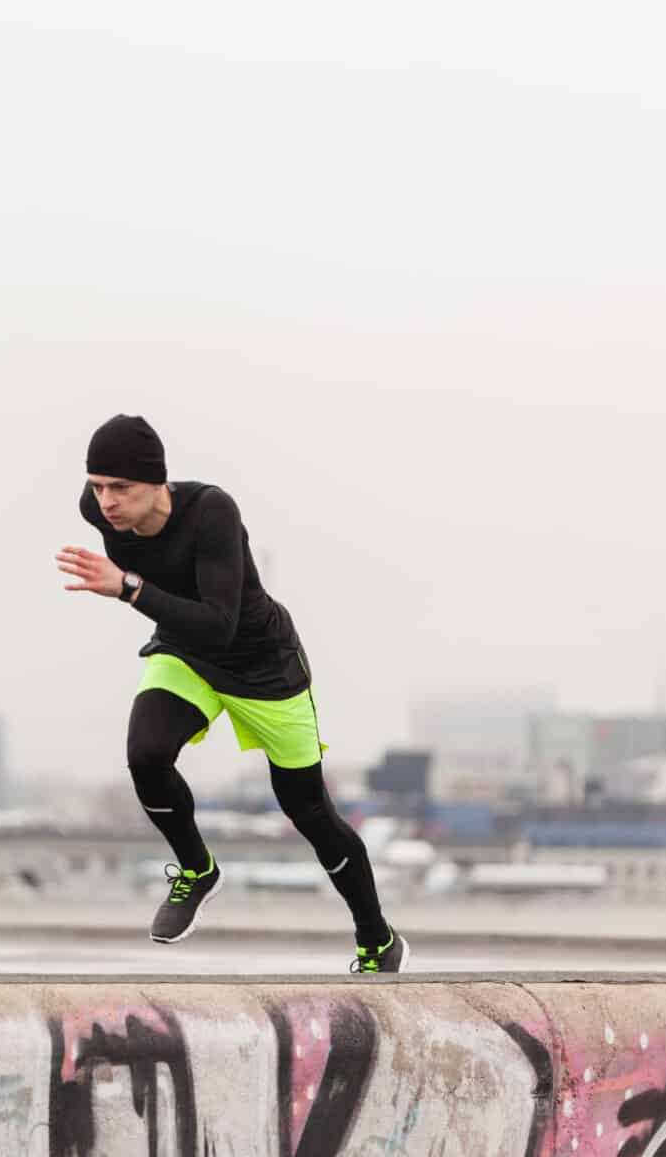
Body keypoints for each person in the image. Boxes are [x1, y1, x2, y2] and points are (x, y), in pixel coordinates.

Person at [54, 414, 410, 973]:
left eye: (121, 488)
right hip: (185, 655)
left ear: (158, 483)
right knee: (145, 755)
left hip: (264, 667)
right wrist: (137, 590)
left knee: (308, 810)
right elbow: (187, 628)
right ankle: (197, 869)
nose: (107, 502)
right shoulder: (94, 508)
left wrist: (128, 588)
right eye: (98, 486)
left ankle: (378, 940)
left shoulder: (211, 513)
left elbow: (220, 625)